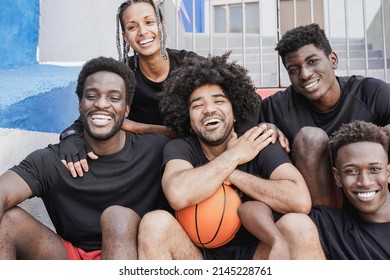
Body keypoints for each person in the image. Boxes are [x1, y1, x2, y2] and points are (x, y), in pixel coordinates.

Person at [58, 0, 266, 178]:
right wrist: (69, 138)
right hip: (148, 163)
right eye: (132, 27)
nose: (143, 32)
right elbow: (89, 116)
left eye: (149, 22)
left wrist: (236, 144)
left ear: (162, 25)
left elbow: (249, 100)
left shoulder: (190, 64)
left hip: (198, 155)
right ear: (125, 37)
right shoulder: (123, 75)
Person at [137, 52, 311, 260]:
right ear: (188, 119)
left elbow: (300, 200)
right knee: (154, 223)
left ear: (235, 109)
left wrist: (233, 175)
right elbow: (178, 193)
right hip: (196, 258)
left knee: (298, 225)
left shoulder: (259, 142)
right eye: (197, 105)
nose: (209, 110)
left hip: (257, 255)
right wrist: (235, 156)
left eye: (219, 101)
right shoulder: (181, 148)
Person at [0, 56, 169, 260]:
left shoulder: (155, 150)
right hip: (73, 259)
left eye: (114, 98)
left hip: (131, 260)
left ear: (127, 109)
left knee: (117, 217)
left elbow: (196, 137)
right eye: (91, 96)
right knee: (8, 219)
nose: (101, 104)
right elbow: (4, 191)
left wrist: (144, 128)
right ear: (80, 104)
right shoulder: (54, 159)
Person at [259, 23, 390, 208]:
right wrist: (263, 127)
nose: (304, 74)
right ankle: (327, 225)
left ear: (333, 60)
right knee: (310, 138)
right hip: (321, 205)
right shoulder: (276, 108)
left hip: (369, 191)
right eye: (294, 70)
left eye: (312, 61)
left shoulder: (371, 92)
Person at [273, 120, 390, 259]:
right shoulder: (328, 222)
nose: (364, 182)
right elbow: (256, 210)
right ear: (338, 177)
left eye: (374, 169)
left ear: (388, 173)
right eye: (351, 171)